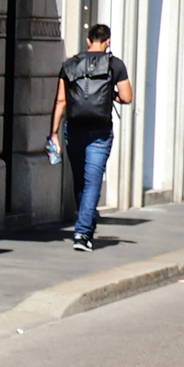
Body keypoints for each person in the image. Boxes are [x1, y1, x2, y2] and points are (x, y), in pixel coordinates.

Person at [48, 22, 132, 254]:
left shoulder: (69, 65)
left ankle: (85, 226)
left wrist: (53, 132)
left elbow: (61, 101)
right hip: (100, 130)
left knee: (80, 180)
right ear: (108, 41)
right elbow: (127, 97)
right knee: (93, 180)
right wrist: (110, 94)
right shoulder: (115, 65)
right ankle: (83, 232)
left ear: (87, 41)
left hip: (74, 128)